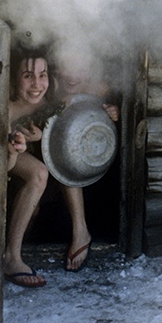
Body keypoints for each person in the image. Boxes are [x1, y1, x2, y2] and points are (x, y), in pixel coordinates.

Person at [51, 50, 120, 272]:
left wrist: (114, 113)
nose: (72, 76)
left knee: (71, 156)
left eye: (80, 69)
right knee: (65, 155)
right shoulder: (48, 86)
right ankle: (79, 231)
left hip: (91, 159)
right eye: (67, 67)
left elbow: (116, 118)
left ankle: (83, 231)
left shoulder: (99, 89)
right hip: (47, 157)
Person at [3, 48, 59, 288]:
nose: (37, 83)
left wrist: (41, 137)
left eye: (42, 75)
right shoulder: (6, 109)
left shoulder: (50, 98)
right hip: (8, 160)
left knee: (37, 211)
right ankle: (11, 258)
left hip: (30, 158)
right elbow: (1, 168)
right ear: (15, 79)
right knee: (39, 174)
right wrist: (16, 150)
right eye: (28, 76)